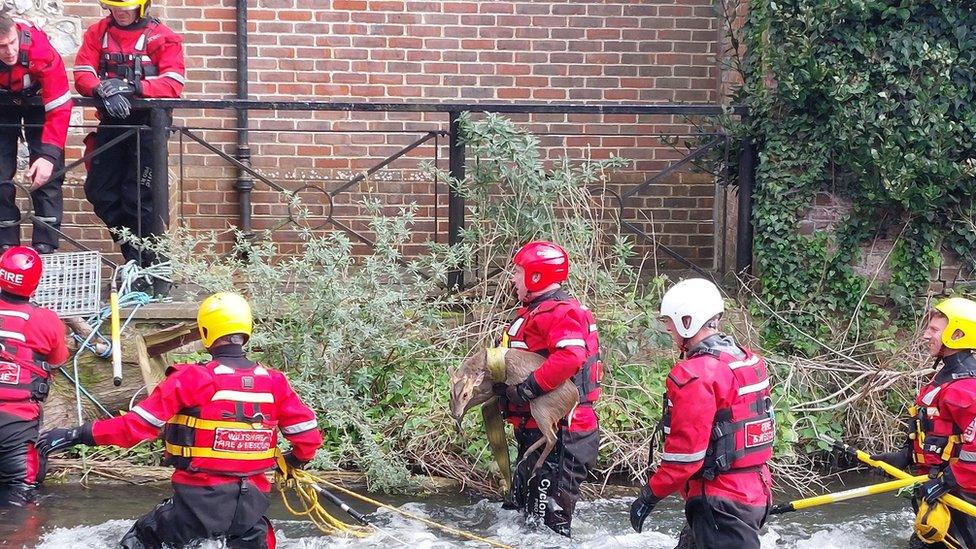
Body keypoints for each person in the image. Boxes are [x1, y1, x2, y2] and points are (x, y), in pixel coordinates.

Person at [39, 292, 322, 548]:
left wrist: (77, 434)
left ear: (206, 332)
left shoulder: (192, 378)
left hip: (197, 506)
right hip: (251, 509)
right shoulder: (274, 382)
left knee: (139, 539)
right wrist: (295, 460)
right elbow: (308, 436)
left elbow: (135, 428)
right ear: (246, 332)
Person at [630, 278, 774, 548]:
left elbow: (685, 457)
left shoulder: (695, 375)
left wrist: (649, 496)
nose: (668, 329)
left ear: (688, 321)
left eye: (670, 321)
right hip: (754, 491)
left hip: (721, 502)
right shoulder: (748, 361)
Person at [494, 240, 602, 537]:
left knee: (547, 532)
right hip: (537, 434)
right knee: (523, 522)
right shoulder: (534, 312)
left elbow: (571, 357)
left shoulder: (561, 312)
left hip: (563, 436)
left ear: (536, 276)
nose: (513, 278)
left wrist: (528, 389)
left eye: (518, 272)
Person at [73, 0, 184, 268]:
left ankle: (153, 266)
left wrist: (131, 88)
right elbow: (82, 72)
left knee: (140, 198)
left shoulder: (163, 36)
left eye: (126, 7)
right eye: (114, 7)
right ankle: (133, 251)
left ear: (142, 6)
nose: (120, 12)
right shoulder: (97, 32)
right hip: (113, 123)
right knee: (99, 190)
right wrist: (101, 90)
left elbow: (173, 83)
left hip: (149, 128)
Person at [871, 297, 976, 548]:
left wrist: (948, 480)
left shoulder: (966, 388)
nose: (925, 335)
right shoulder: (945, 377)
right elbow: (937, 430)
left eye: (934, 330)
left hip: (962, 499)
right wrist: (907, 456)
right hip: (941, 493)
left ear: (958, 334)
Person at [0, 246, 68, 505]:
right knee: (22, 499)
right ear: (35, 283)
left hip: (15, 422)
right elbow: (58, 360)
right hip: (16, 424)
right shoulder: (45, 319)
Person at [0, 14, 72, 254]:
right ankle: (4, 241)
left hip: (40, 103)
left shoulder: (41, 50)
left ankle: (45, 243)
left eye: (13, 42)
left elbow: (60, 105)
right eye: (1, 47)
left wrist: (49, 156)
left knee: (46, 176)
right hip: (2, 105)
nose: (10, 51)